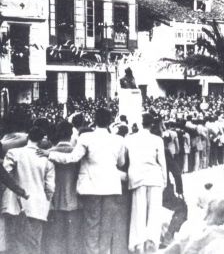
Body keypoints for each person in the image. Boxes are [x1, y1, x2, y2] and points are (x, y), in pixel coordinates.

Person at [38, 108, 126, 254]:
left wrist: (50, 154)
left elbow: (71, 158)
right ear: (110, 121)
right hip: (111, 187)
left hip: (91, 188)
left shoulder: (85, 138)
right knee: (107, 226)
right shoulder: (118, 140)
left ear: (94, 120)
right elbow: (121, 162)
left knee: (92, 225)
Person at [2, 127, 55, 254]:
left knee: (13, 241)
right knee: (34, 242)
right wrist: (47, 199)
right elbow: (50, 187)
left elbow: (5, 175)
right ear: (42, 139)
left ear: (28, 137)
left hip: (13, 203)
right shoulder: (47, 158)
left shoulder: (13, 153)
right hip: (36, 204)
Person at [125, 113, 167, 253]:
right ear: (152, 124)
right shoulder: (157, 139)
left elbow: (125, 159)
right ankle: (151, 242)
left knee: (138, 212)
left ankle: (137, 243)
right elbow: (162, 162)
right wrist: (164, 180)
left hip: (137, 177)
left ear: (139, 123)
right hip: (154, 177)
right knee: (154, 213)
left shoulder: (129, 139)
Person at [42, 121, 82, 254]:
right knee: (74, 238)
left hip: (54, 201)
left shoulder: (47, 153)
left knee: (55, 237)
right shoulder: (78, 153)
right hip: (74, 200)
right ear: (71, 135)